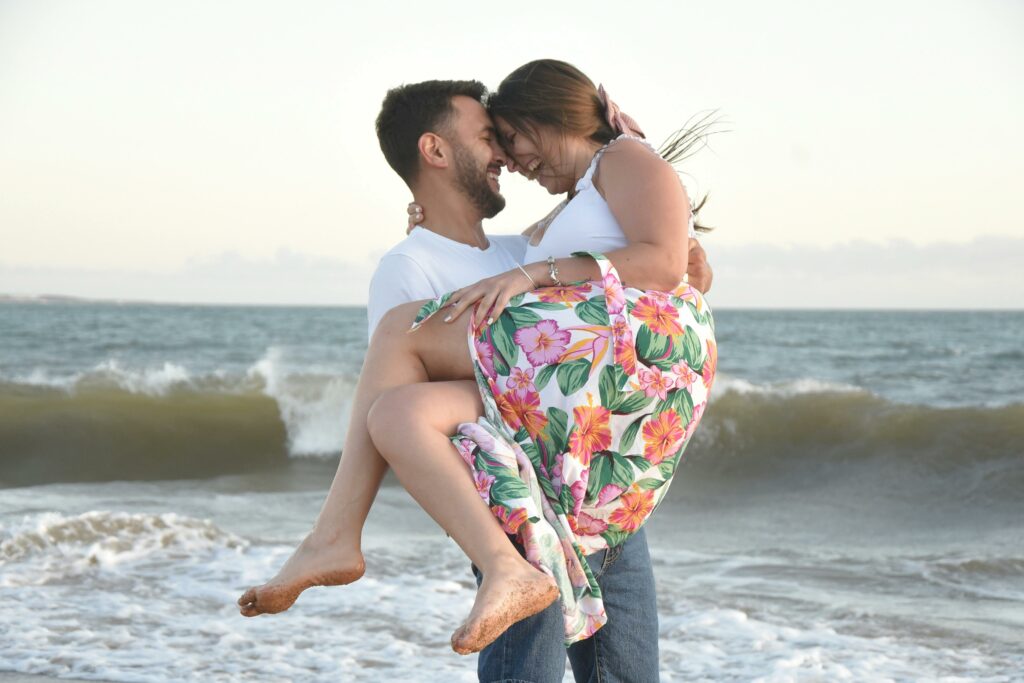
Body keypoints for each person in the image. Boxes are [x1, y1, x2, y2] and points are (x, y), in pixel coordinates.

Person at [238, 60, 717, 666]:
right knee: (396, 404)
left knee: (625, 672)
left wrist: (675, 260)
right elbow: (400, 410)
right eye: (489, 137)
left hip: (591, 474)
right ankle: (375, 544)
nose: (507, 157)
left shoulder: (529, 243)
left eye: (506, 135)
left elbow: (644, 263)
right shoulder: (411, 267)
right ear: (434, 150)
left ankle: (335, 535)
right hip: (518, 500)